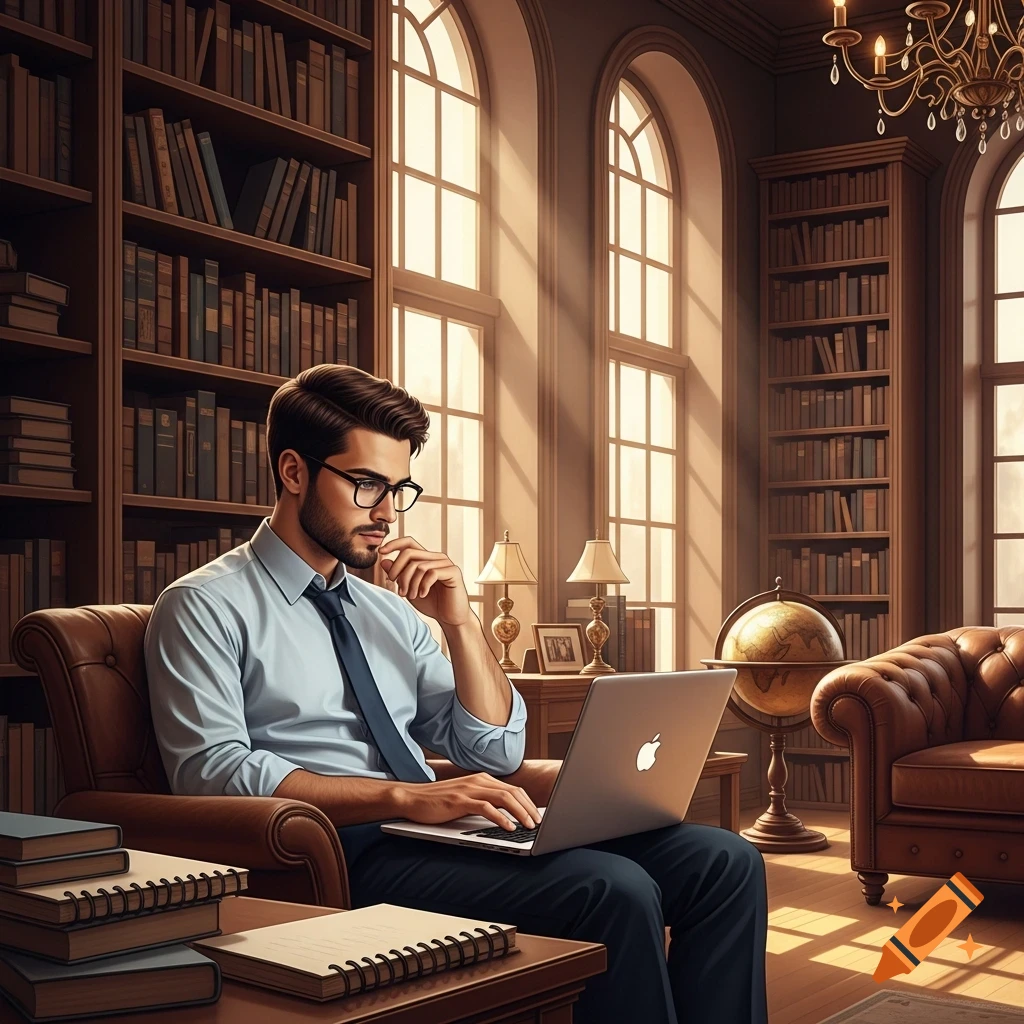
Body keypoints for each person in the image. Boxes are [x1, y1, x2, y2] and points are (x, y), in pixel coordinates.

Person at [145, 364, 769, 1024]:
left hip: (436, 832)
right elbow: (212, 772)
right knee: (613, 890)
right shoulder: (204, 606)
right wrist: (409, 796)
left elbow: (492, 748)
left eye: (399, 489)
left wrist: (461, 622)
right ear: (294, 472)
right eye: (365, 486)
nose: (387, 513)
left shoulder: (392, 614)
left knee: (724, 861)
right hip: (334, 854)